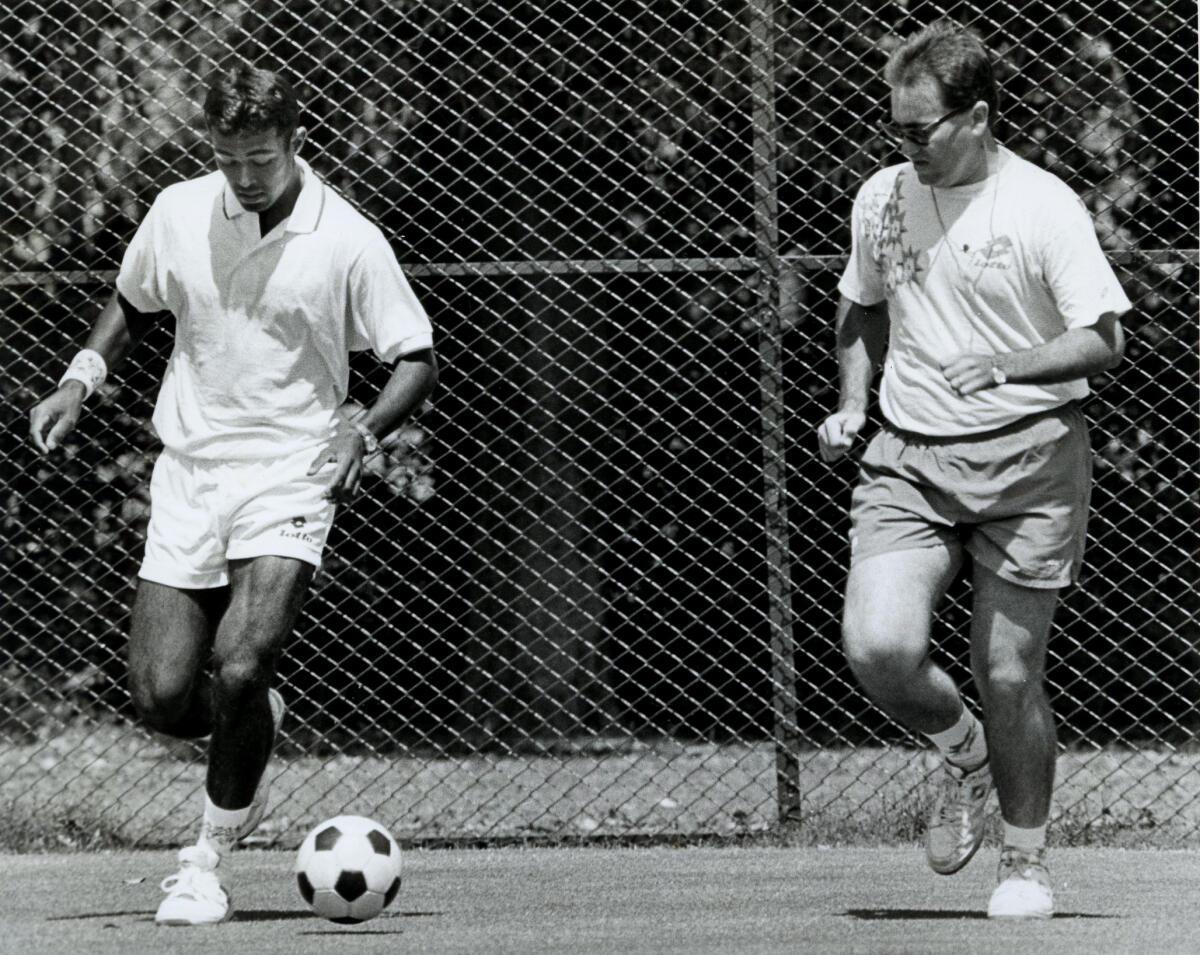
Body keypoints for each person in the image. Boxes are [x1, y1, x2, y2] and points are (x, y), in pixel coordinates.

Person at [28, 65, 437, 926]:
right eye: (227, 158)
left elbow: (414, 355)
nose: (244, 176)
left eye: (259, 157)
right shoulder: (179, 210)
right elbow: (134, 303)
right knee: (160, 696)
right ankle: (253, 723)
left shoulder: (347, 237)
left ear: (294, 143)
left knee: (243, 661)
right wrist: (80, 378)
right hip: (189, 472)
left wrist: (360, 432)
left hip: (292, 469)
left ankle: (203, 860)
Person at [817, 20, 1129, 920]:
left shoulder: (1042, 206)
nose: (905, 147)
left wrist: (1006, 364)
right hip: (910, 456)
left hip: (1030, 458)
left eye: (921, 130)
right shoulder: (882, 196)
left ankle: (1025, 862)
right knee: (881, 649)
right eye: (897, 130)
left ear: (978, 116)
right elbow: (859, 308)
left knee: (1006, 671)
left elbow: (1101, 338)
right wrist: (853, 403)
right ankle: (961, 751)